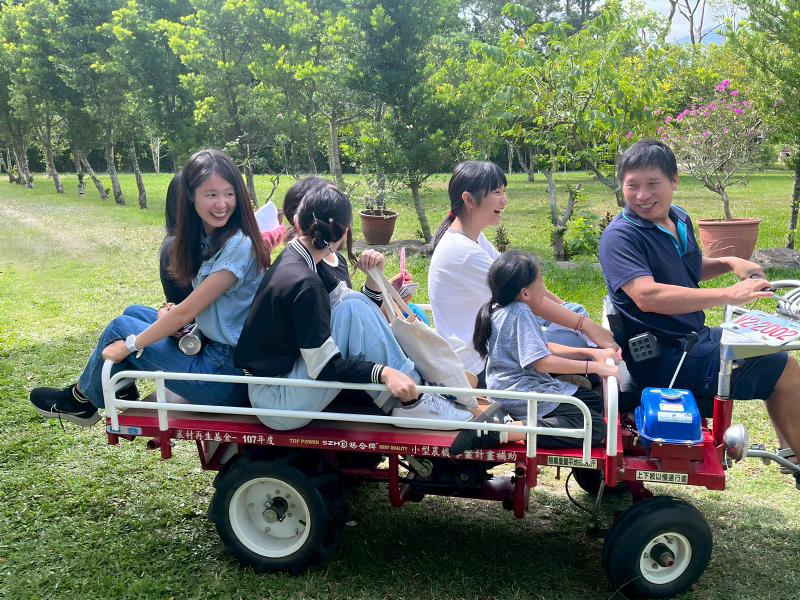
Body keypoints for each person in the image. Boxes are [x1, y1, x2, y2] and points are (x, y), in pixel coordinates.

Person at [599, 139, 800, 475]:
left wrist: (729, 261)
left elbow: (687, 269)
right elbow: (646, 295)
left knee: (775, 352)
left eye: (653, 185)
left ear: (675, 181)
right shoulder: (621, 237)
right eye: (632, 186)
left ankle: (790, 454)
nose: (642, 196)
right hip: (665, 357)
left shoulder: (677, 220)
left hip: (692, 339)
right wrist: (728, 295)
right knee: (783, 368)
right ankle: (796, 459)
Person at [30, 149, 271, 425]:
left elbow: (184, 314)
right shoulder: (215, 237)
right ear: (190, 195)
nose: (222, 204)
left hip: (225, 377)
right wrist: (174, 316)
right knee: (134, 311)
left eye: (229, 194)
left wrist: (130, 346)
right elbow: (206, 307)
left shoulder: (238, 246)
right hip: (210, 346)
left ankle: (80, 400)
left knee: (122, 328)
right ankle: (116, 385)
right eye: (212, 194)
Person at [234, 182, 473, 431]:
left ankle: (410, 399)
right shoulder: (306, 283)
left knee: (354, 302)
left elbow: (358, 311)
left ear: (297, 221)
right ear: (341, 235)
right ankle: (415, 401)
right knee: (353, 306)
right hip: (278, 403)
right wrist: (383, 373)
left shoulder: (299, 256)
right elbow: (325, 367)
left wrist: (375, 279)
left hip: (279, 384)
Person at [428, 161, 618, 385]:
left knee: (574, 312)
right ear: (469, 199)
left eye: (504, 191)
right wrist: (584, 325)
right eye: (496, 192)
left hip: (496, 336)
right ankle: (556, 376)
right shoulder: (464, 253)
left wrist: (567, 309)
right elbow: (530, 300)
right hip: (480, 361)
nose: (504, 199)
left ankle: (560, 374)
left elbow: (526, 283)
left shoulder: (474, 238)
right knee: (575, 337)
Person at [473, 251, 617, 448]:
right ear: (525, 293)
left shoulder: (501, 308)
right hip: (520, 391)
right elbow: (542, 363)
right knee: (594, 428)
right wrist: (594, 367)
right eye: (540, 280)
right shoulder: (519, 312)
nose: (544, 287)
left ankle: (521, 424)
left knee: (592, 400)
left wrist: (592, 353)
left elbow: (544, 347)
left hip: (513, 389)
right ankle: (506, 430)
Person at [159, 171, 193, 305]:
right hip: (186, 322)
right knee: (123, 322)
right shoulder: (177, 245)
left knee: (130, 313)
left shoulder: (174, 240)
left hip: (185, 319)